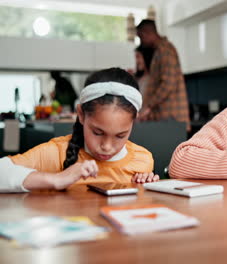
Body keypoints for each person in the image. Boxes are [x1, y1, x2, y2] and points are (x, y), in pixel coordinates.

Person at [0, 68, 158, 193]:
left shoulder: (142, 160)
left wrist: (145, 185)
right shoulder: (57, 153)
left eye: (120, 135)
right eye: (97, 132)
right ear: (81, 114)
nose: (107, 146)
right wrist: (57, 179)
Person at [136, 19, 191, 131]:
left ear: (147, 33)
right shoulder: (160, 51)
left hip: (172, 118)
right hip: (167, 119)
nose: (142, 42)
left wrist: (149, 106)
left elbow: (168, 83)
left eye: (141, 37)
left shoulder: (165, 50)